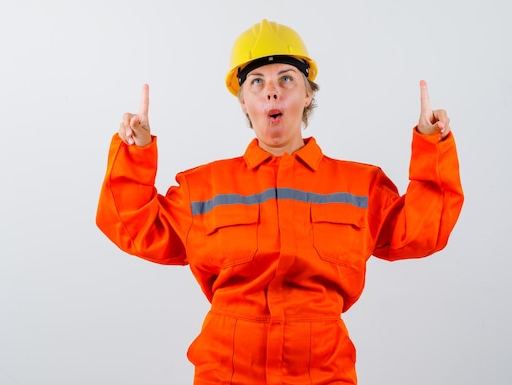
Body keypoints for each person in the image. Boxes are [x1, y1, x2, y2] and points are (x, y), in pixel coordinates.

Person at [95, 19, 464, 385]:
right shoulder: (203, 187)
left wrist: (430, 143)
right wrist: (136, 151)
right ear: (243, 102)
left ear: (307, 95)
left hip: (323, 373)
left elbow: (423, 230)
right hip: (226, 372)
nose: (272, 91)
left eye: (286, 78)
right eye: (257, 82)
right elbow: (131, 224)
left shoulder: (360, 185)